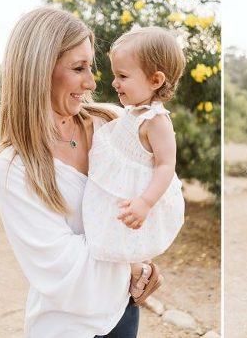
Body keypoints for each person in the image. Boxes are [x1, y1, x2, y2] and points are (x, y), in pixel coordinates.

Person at [0, 7, 161, 337]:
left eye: (91, 67)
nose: (92, 81)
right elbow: (63, 270)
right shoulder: (13, 167)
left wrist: (146, 264)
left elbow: (147, 197)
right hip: (63, 325)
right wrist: (130, 268)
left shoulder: (112, 123)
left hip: (121, 313)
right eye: (78, 68)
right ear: (39, 71)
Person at [82, 27, 185, 302]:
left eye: (123, 76)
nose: (115, 83)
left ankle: (136, 276)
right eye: (116, 75)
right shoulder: (131, 113)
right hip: (121, 191)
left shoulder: (157, 121)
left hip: (139, 197)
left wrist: (146, 202)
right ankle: (114, 280)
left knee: (130, 243)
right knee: (113, 240)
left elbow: (166, 166)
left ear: (155, 80)